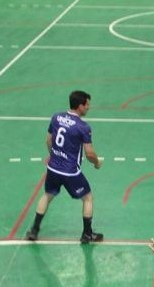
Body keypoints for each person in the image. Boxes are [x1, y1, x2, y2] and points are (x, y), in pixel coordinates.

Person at [25, 90, 103, 243]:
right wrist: (97, 163)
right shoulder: (83, 127)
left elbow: (48, 140)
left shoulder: (56, 117)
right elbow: (89, 153)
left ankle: (34, 230)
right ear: (80, 106)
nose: (88, 107)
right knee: (87, 198)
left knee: (47, 195)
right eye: (87, 104)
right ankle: (87, 234)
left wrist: (54, 156)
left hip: (53, 168)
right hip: (70, 172)